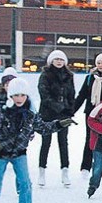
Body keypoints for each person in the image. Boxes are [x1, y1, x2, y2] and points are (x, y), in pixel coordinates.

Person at [73, 53, 102, 178]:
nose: (100, 65)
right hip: (91, 114)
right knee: (90, 139)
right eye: (98, 63)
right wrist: (71, 111)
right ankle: (85, 167)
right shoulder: (90, 78)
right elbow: (81, 96)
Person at [37, 50, 76, 187]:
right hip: (47, 113)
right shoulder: (45, 75)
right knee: (46, 142)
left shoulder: (68, 76)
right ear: (51, 61)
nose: (59, 61)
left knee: (63, 142)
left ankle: (65, 171)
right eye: (56, 59)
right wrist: (56, 106)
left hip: (63, 114)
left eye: (61, 59)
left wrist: (70, 109)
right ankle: (42, 171)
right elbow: (44, 94)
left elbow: (71, 94)